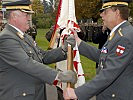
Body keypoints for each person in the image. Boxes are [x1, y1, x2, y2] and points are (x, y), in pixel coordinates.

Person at [0, 0, 77, 100]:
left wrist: (63, 49)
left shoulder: (25, 37)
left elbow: (42, 56)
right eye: (26, 14)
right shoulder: (6, 38)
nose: (29, 18)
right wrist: (58, 76)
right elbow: (26, 63)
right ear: (14, 16)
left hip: (34, 94)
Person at [63, 0, 133, 100]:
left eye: (105, 11)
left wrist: (78, 93)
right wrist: (79, 42)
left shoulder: (124, 37)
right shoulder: (119, 32)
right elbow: (103, 56)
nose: (101, 15)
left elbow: (110, 72)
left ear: (117, 13)